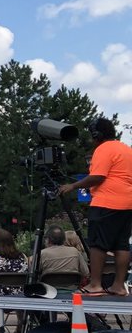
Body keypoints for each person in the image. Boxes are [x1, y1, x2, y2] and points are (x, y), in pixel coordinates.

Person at [58, 117, 132, 297]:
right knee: (121, 244)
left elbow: (98, 176)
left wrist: (73, 186)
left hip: (106, 202)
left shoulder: (103, 149)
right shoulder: (126, 149)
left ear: (96, 135)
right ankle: (119, 286)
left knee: (97, 244)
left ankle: (95, 284)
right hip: (128, 202)